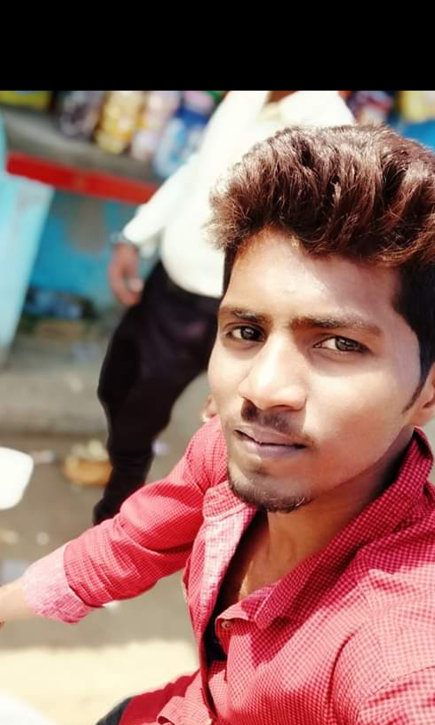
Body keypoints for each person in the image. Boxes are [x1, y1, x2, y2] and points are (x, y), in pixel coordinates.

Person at [0, 124, 435, 725]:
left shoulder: (414, 643)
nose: (261, 388)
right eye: (246, 332)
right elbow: (126, 544)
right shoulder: (228, 458)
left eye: (339, 344)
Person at [94, 90, 354, 523]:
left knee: (142, 411)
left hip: (219, 303)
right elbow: (197, 170)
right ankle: (120, 474)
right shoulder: (245, 97)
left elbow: (311, 253)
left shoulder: (330, 130)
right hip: (167, 278)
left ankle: (114, 516)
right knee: (115, 383)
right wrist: (134, 237)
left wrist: (250, 351)